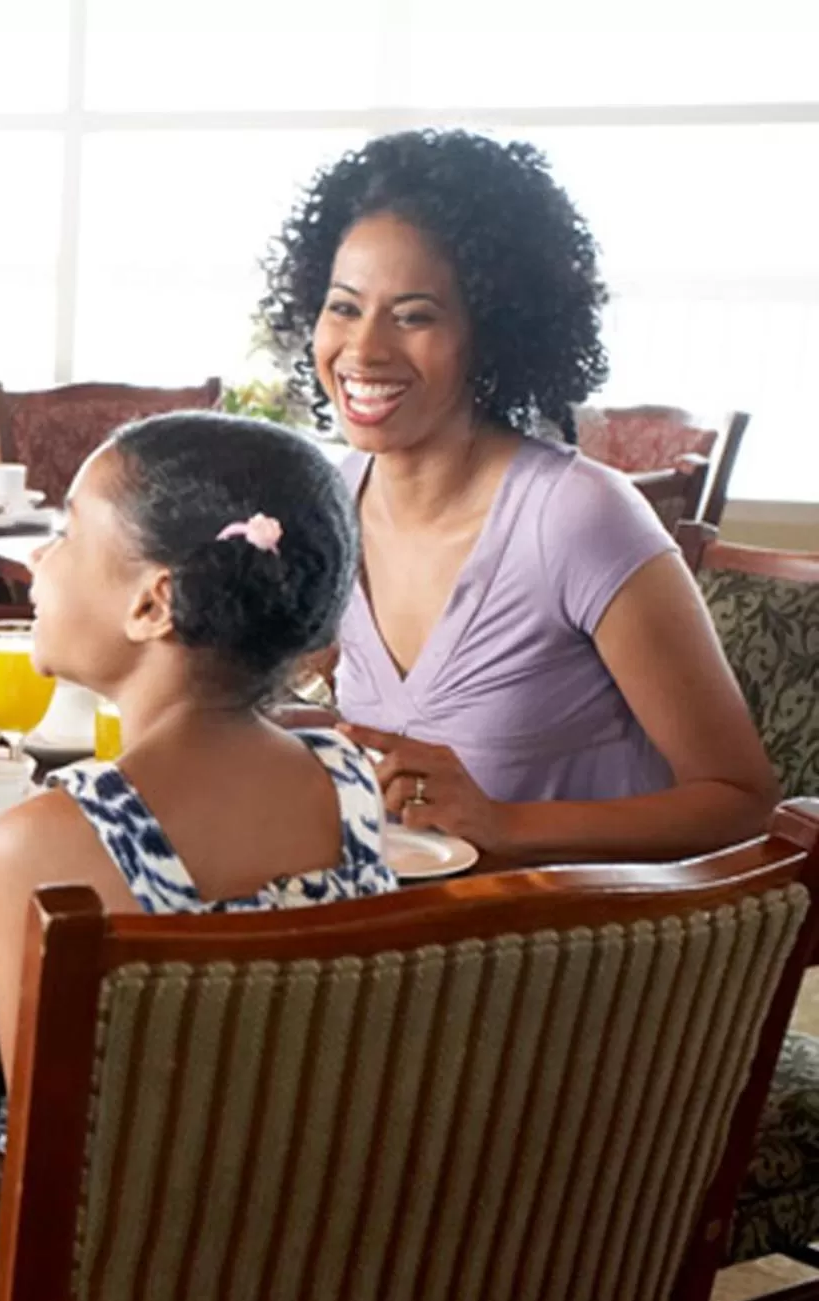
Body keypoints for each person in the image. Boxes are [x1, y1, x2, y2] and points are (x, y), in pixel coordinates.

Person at [0, 412, 397, 1193]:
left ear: (153, 604)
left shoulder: (50, 838)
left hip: (116, 1267)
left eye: (67, 532)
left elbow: (46, 1143)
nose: (40, 557)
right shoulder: (345, 776)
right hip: (298, 1218)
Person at [260, 128, 777, 861]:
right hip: (415, 938)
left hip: (576, 949)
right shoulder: (333, 505)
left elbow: (743, 802)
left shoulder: (577, 517)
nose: (365, 349)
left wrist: (507, 825)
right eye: (344, 307)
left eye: (415, 315)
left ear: (492, 334)